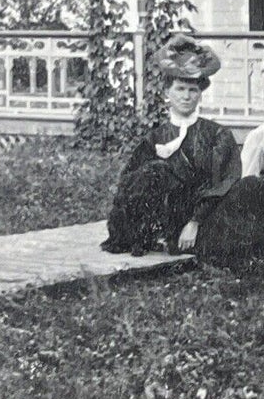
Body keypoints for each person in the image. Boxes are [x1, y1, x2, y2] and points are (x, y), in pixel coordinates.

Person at [102, 35, 241, 257]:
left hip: (205, 219)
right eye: (180, 89)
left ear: (200, 94)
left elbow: (225, 181)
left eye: (192, 90)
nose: (186, 97)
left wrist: (195, 222)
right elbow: (129, 186)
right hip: (165, 222)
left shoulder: (217, 134)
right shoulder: (154, 137)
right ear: (168, 91)